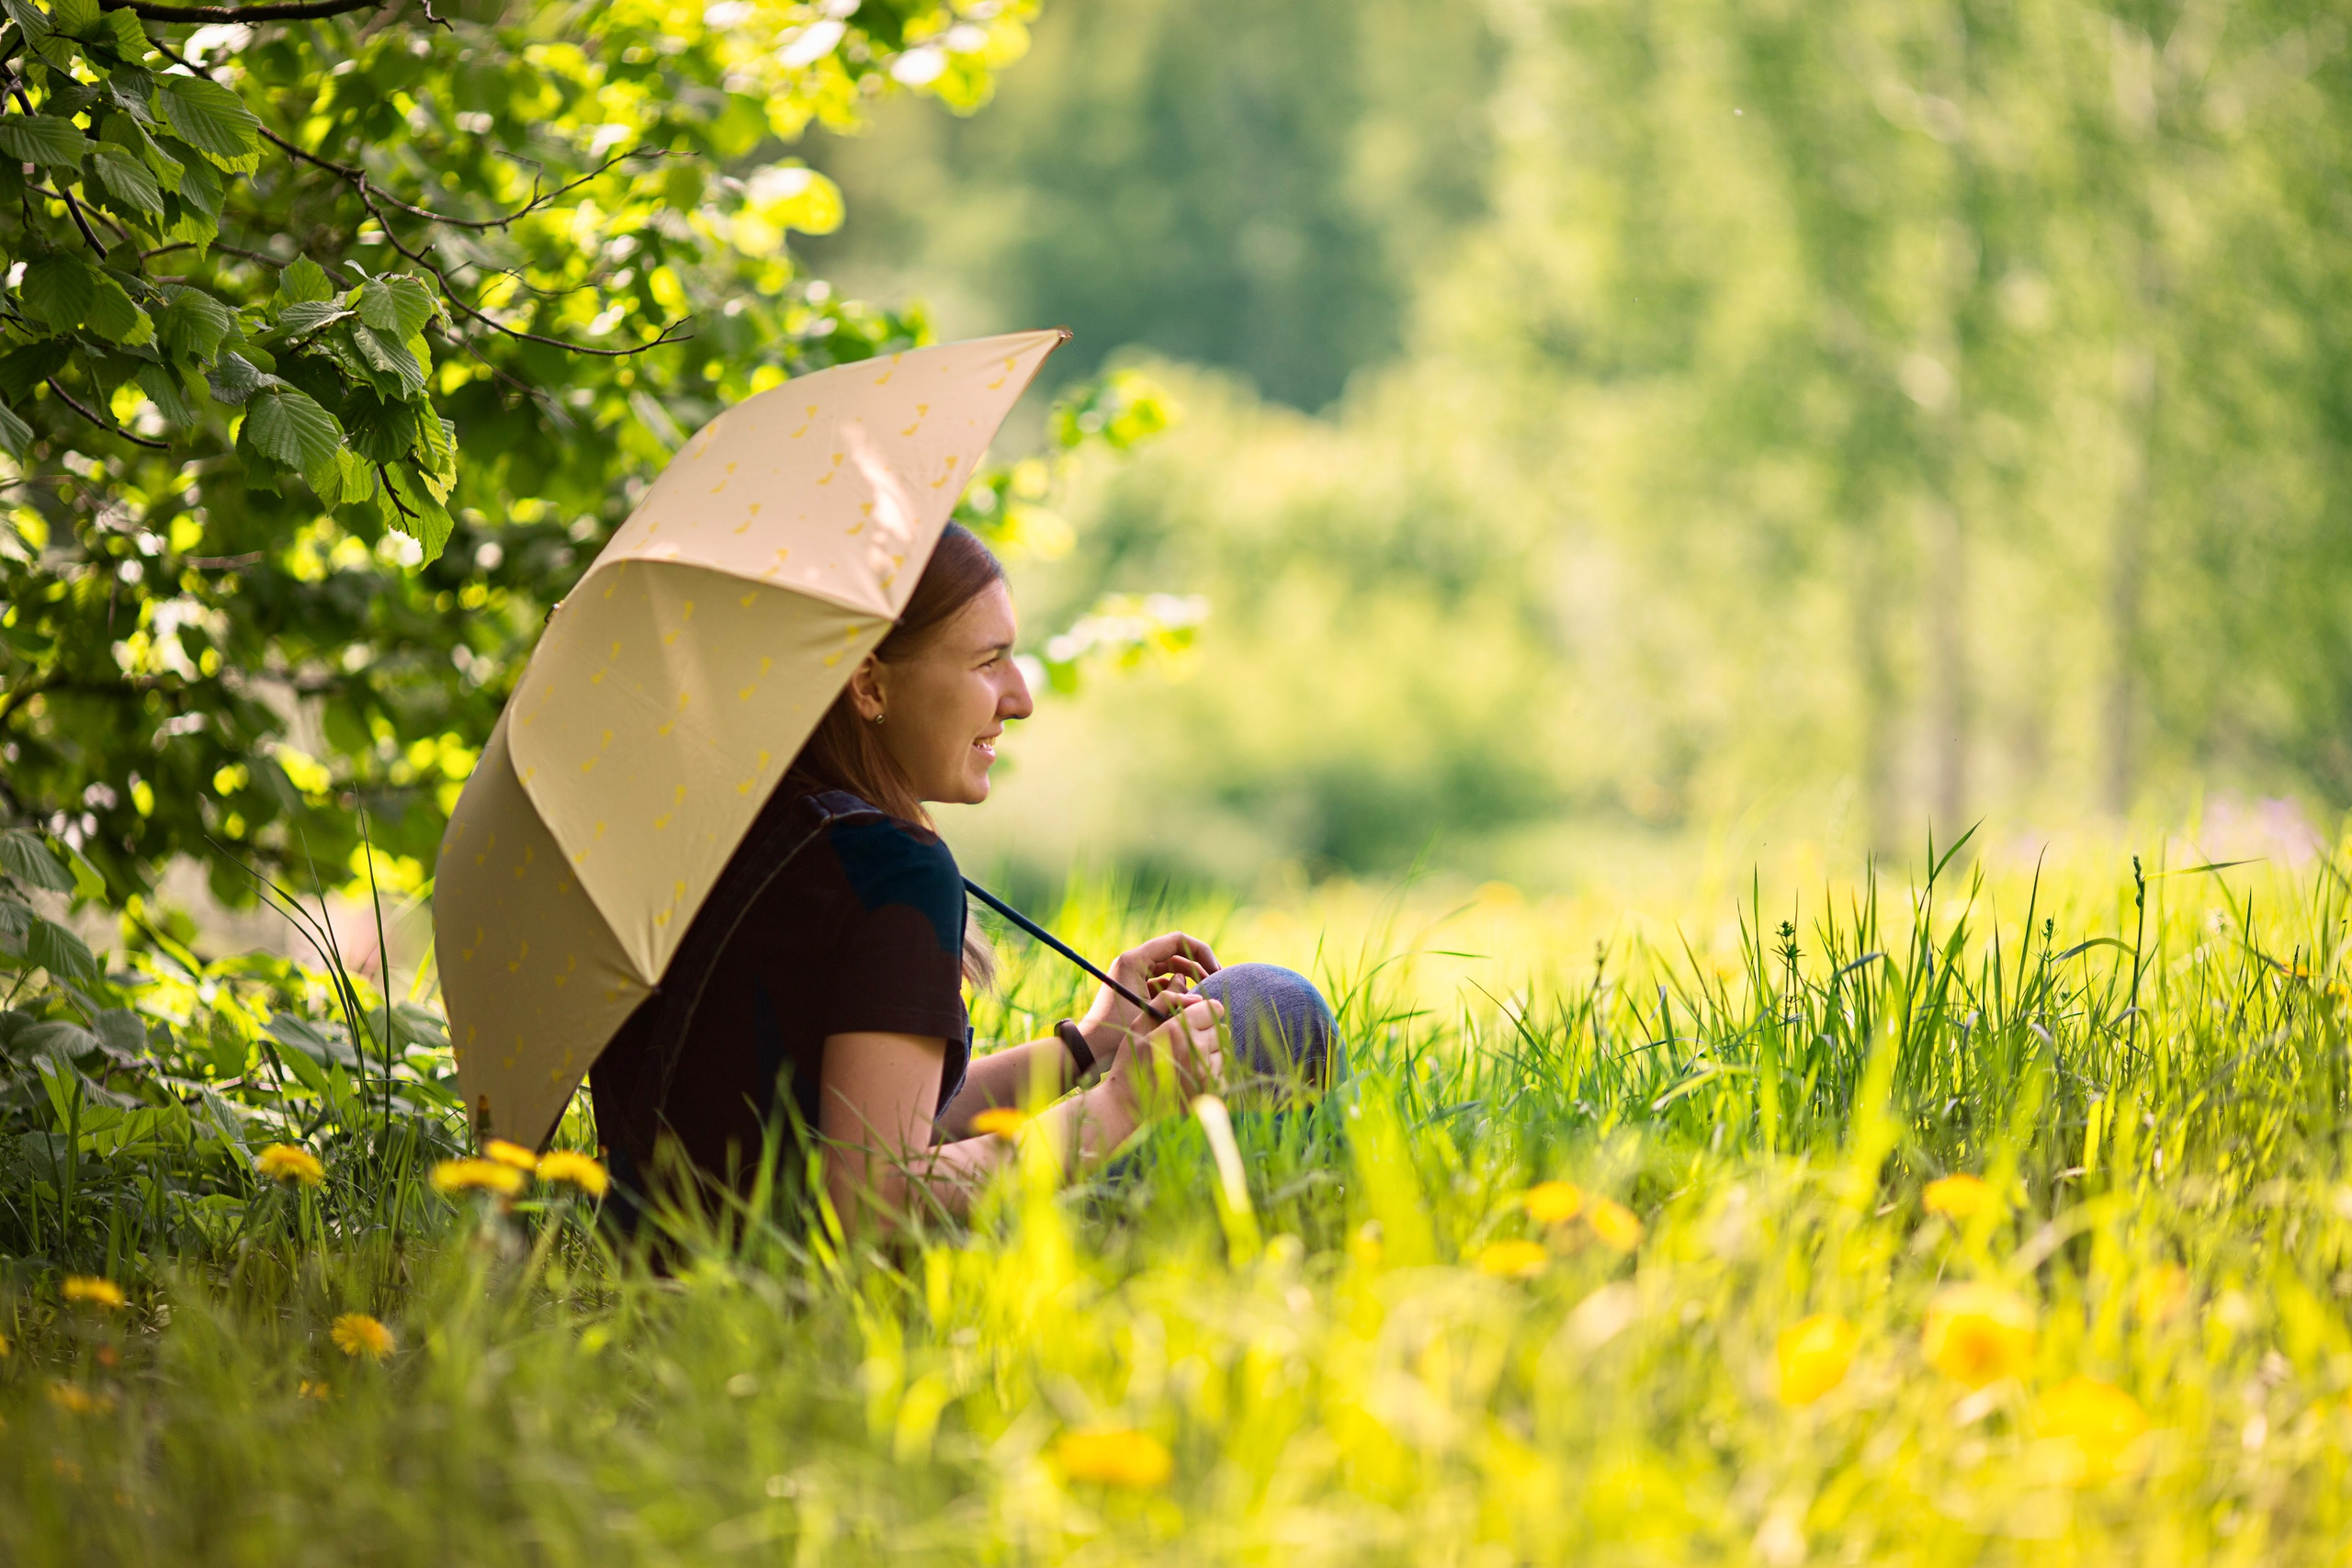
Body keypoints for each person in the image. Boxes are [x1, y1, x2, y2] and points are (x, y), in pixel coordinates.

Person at [589, 525, 1340, 1236]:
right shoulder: (890, 868)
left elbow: (870, 1129)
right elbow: (876, 1203)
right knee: (1279, 1013)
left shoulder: (710, 828)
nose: (1020, 697)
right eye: (989, 662)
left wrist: (1091, 1043)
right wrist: (1119, 1105)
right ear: (869, 684)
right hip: (792, 1299)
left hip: (666, 1263)